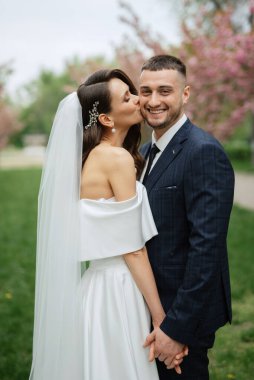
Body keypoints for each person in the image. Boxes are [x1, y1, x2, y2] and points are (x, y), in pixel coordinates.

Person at [28, 68, 186, 380]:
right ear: (106, 119)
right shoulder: (116, 159)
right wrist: (160, 320)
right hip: (120, 288)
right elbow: (133, 249)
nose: (139, 100)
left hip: (95, 286)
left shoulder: (92, 158)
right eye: (127, 97)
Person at [139, 54, 235, 380]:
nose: (153, 101)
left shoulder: (202, 151)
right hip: (148, 309)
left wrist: (175, 328)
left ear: (185, 93)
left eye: (164, 91)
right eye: (145, 91)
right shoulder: (141, 154)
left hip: (184, 316)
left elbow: (206, 248)